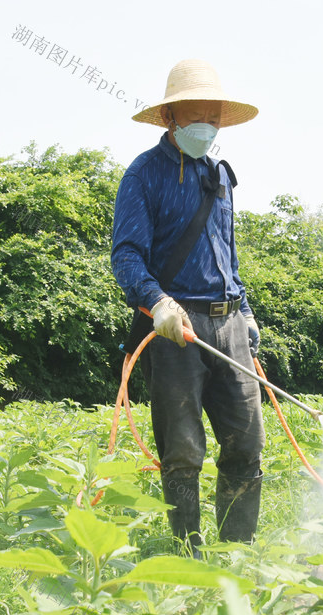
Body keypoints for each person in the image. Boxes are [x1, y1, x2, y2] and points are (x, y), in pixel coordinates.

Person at [110, 59, 265, 556]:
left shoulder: (220, 175)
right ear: (171, 115)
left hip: (229, 321)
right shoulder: (144, 174)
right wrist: (156, 301)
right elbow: (127, 253)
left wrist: (245, 310)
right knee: (182, 451)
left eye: (214, 114)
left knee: (245, 444)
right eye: (196, 112)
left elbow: (226, 250)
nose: (207, 122)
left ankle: (235, 553)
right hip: (177, 326)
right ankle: (188, 556)